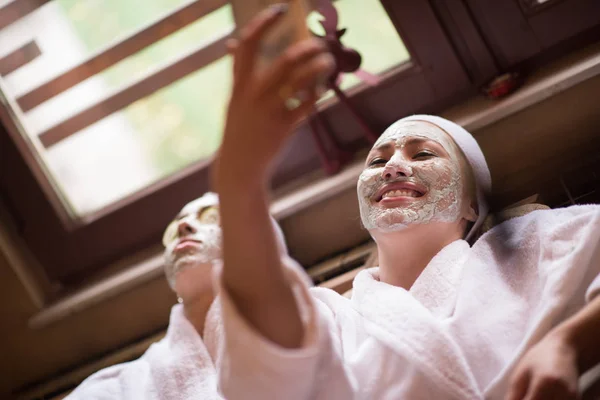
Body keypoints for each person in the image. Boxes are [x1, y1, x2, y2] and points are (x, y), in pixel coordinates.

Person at [213, 5, 600, 400]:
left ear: (472, 205)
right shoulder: (331, 315)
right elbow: (266, 367)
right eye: (378, 161)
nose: (393, 168)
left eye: (424, 155)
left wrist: (570, 343)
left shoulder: (530, 244)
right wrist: (238, 183)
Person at [66, 193, 225, 400]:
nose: (183, 225)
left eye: (211, 217)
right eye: (172, 233)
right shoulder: (111, 387)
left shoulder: (280, 332)